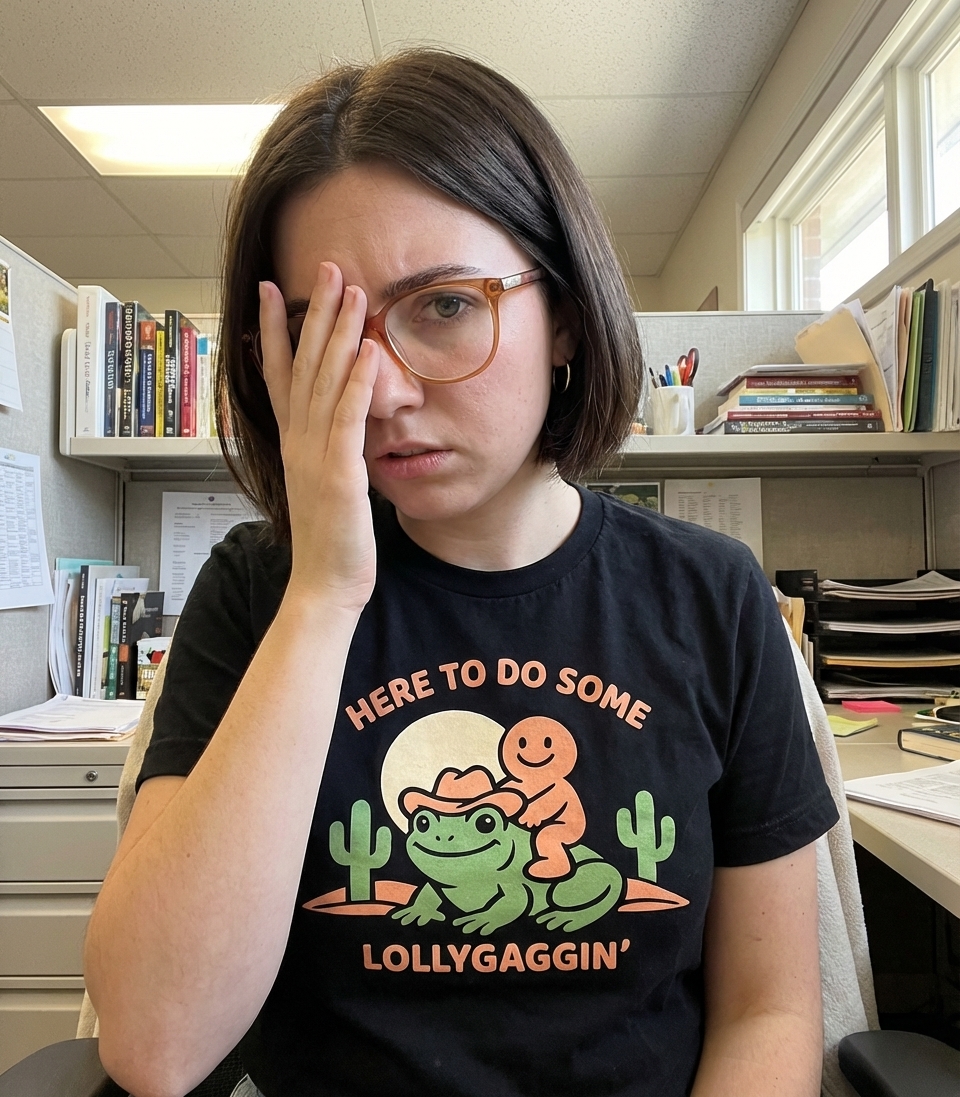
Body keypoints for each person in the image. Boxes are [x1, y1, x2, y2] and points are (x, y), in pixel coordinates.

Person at [85, 50, 839, 1097]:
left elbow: (771, 1010)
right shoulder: (257, 590)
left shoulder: (712, 596)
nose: (383, 390)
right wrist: (323, 595)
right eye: (323, 332)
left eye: (442, 305)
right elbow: (154, 1045)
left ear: (563, 313)